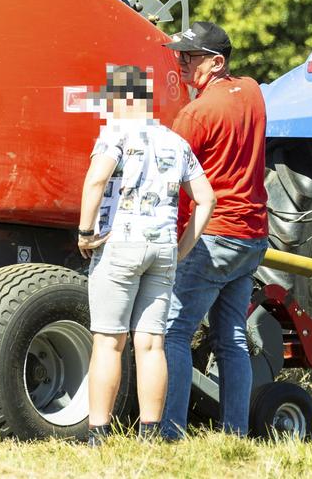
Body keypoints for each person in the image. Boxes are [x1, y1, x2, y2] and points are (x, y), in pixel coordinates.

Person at [77, 64, 216, 445]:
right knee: (151, 343)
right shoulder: (174, 141)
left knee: (109, 341)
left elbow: (96, 180)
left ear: (123, 99)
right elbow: (206, 199)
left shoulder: (116, 133)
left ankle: (98, 433)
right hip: (162, 248)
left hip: (119, 244)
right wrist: (183, 246)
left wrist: (85, 231)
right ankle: (151, 433)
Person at [161, 22, 269, 439]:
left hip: (213, 237)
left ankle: (169, 431)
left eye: (189, 57)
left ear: (217, 61)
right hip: (252, 236)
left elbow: (173, 185)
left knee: (174, 332)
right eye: (179, 55)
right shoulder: (254, 92)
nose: (181, 64)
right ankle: (235, 433)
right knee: (232, 339)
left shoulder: (196, 115)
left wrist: (174, 242)